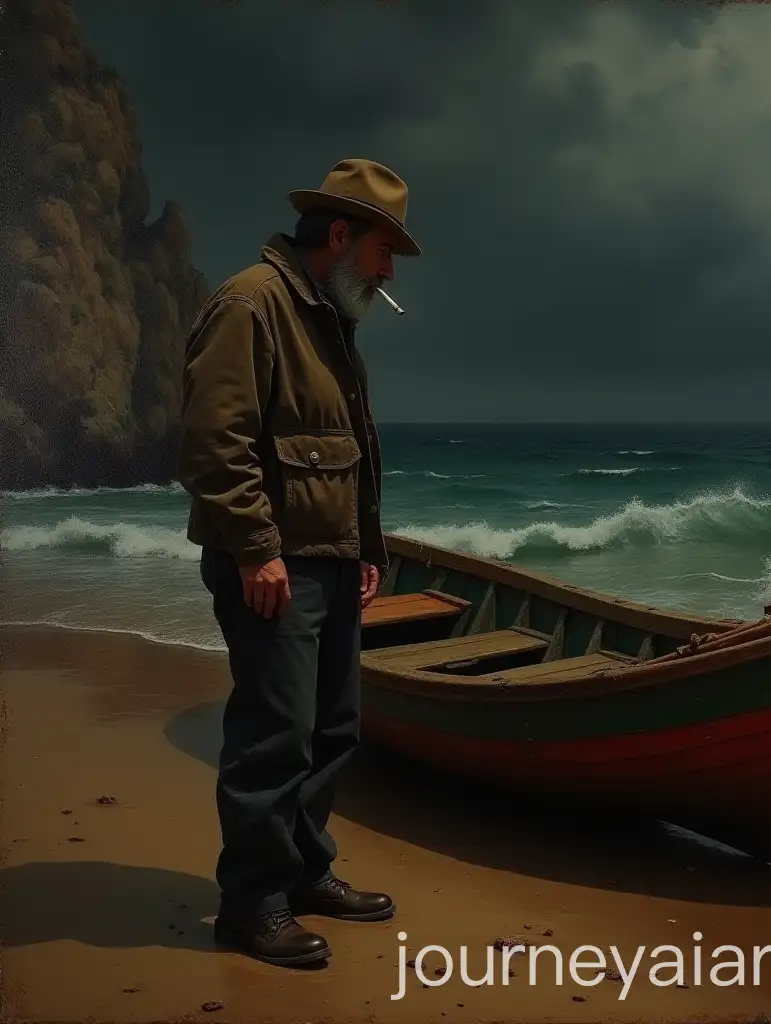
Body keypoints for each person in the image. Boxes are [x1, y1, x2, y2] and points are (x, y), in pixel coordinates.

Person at [177, 158, 421, 968]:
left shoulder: (329, 317)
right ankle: (251, 905)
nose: (390, 272)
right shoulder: (253, 303)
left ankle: (306, 872)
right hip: (273, 566)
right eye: (386, 251)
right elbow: (217, 444)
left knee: (331, 731)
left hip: (326, 562)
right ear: (342, 235)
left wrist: (362, 552)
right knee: (272, 738)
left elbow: (344, 453)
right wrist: (256, 549)